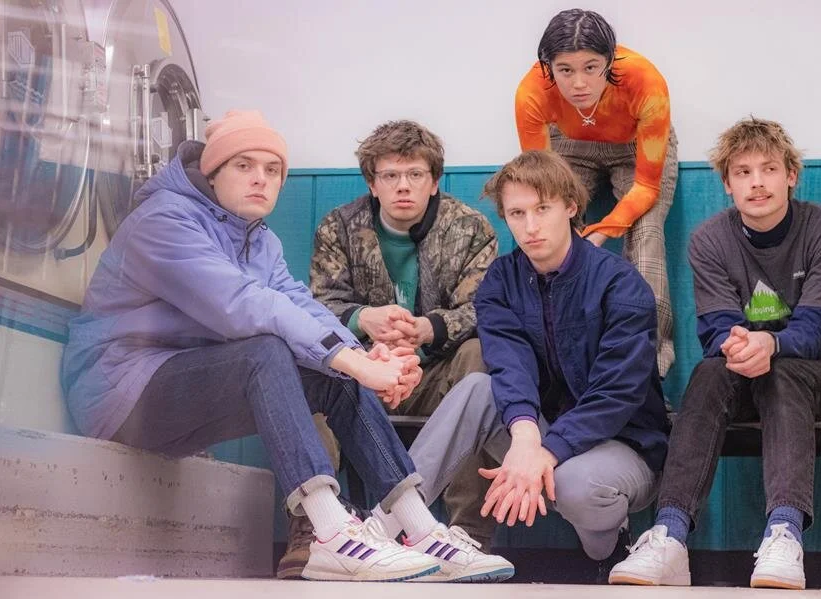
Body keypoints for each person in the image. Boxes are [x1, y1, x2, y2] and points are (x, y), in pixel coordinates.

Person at [60, 109, 499, 582]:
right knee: (267, 351)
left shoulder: (257, 239)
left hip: (184, 388)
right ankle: (328, 533)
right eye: (244, 165)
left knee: (332, 371)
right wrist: (358, 362)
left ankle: (419, 527)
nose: (260, 179)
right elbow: (243, 304)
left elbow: (299, 304)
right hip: (122, 392)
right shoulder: (163, 221)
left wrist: (362, 358)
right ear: (212, 172)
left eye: (272, 170)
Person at [608, 117, 821, 589]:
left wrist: (770, 343)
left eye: (769, 169)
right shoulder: (709, 239)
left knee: (786, 373)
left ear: (790, 175)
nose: (757, 182)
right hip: (744, 368)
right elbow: (716, 327)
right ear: (727, 184)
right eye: (743, 172)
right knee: (708, 374)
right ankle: (670, 536)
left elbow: (818, 329)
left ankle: (784, 533)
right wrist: (738, 345)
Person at [379, 149, 669, 582]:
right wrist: (526, 435)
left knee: (574, 486)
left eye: (542, 209)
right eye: (517, 213)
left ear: (570, 207)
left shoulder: (620, 283)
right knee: (476, 388)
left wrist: (544, 452)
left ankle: (610, 543)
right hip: (541, 433)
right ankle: (386, 526)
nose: (530, 226)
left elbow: (617, 394)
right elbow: (509, 365)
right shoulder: (501, 281)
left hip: (625, 444)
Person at [273, 120, 502, 580]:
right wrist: (363, 319)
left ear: (434, 181)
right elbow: (318, 305)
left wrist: (429, 328)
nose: (403, 186)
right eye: (390, 175)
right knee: (308, 363)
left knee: (482, 357)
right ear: (372, 183)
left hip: (435, 372)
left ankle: (468, 532)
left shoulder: (470, 227)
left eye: (415, 174)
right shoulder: (339, 227)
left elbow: (484, 308)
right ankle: (315, 530)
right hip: (359, 370)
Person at [515, 8, 677, 377]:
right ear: (548, 68)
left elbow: (646, 186)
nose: (579, 83)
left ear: (610, 61)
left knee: (647, 233)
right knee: (547, 228)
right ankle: (553, 366)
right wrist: (569, 235)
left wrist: (602, 232)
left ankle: (648, 371)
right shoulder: (531, 93)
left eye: (591, 68)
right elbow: (539, 187)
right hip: (569, 143)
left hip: (636, 142)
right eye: (565, 70)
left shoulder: (646, 81)